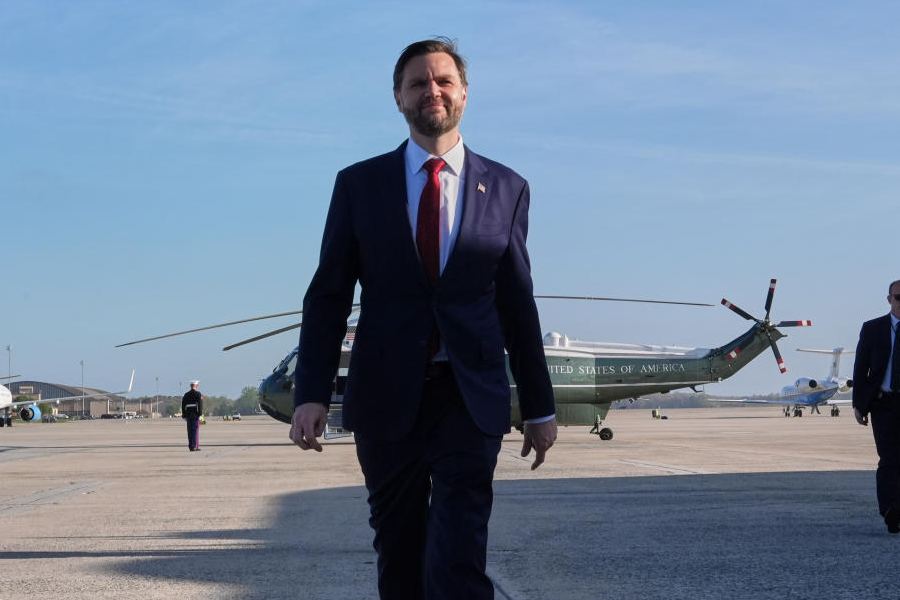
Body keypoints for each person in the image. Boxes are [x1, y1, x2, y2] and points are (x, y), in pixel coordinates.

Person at [289, 37, 557, 599]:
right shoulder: (359, 185)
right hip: (387, 398)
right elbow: (329, 295)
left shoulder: (507, 189)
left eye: (442, 81)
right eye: (417, 83)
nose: (430, 91)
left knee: (459, 553)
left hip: (470, 397)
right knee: (400, 553)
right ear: (397, 98)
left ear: (464, 93)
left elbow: (517, 303)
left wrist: (539, 405)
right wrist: (311, 392)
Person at [853, 279, 900, 533]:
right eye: (898, 297)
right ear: (889, 299)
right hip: (884, 403)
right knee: (889, 459)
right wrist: (859, 405)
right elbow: (861, 369)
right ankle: (890, 511)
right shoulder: (872, 329)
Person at [181, 380, 203, 452]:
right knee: (194, 431)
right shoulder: (198, 394)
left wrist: (184, 415)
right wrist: (200, 414)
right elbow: (200, 405)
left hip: (188, 414)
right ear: (196, 386)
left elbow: (183, 405)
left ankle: (191, 446)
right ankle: (194, 446)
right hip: (195, 414)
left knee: (189, 431)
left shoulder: (186, 394)